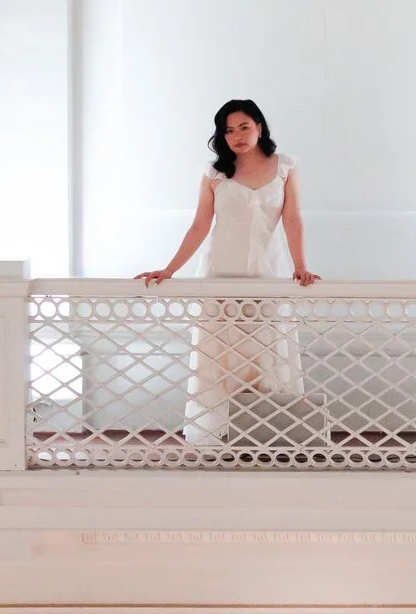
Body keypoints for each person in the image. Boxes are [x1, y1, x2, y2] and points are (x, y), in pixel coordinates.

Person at [137, 99, 320, 442]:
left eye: (244, 127)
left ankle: (269, 436)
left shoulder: (285, 168)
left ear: (260, 128)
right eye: (228, 130)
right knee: (222, 354)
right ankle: (220, 435)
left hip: (269, 276)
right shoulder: (214, 173)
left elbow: (293, 219)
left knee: (267, 351)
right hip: (220, 275)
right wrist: (169, 269)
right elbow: (199, 226)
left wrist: (301, 267)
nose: (236, 135)